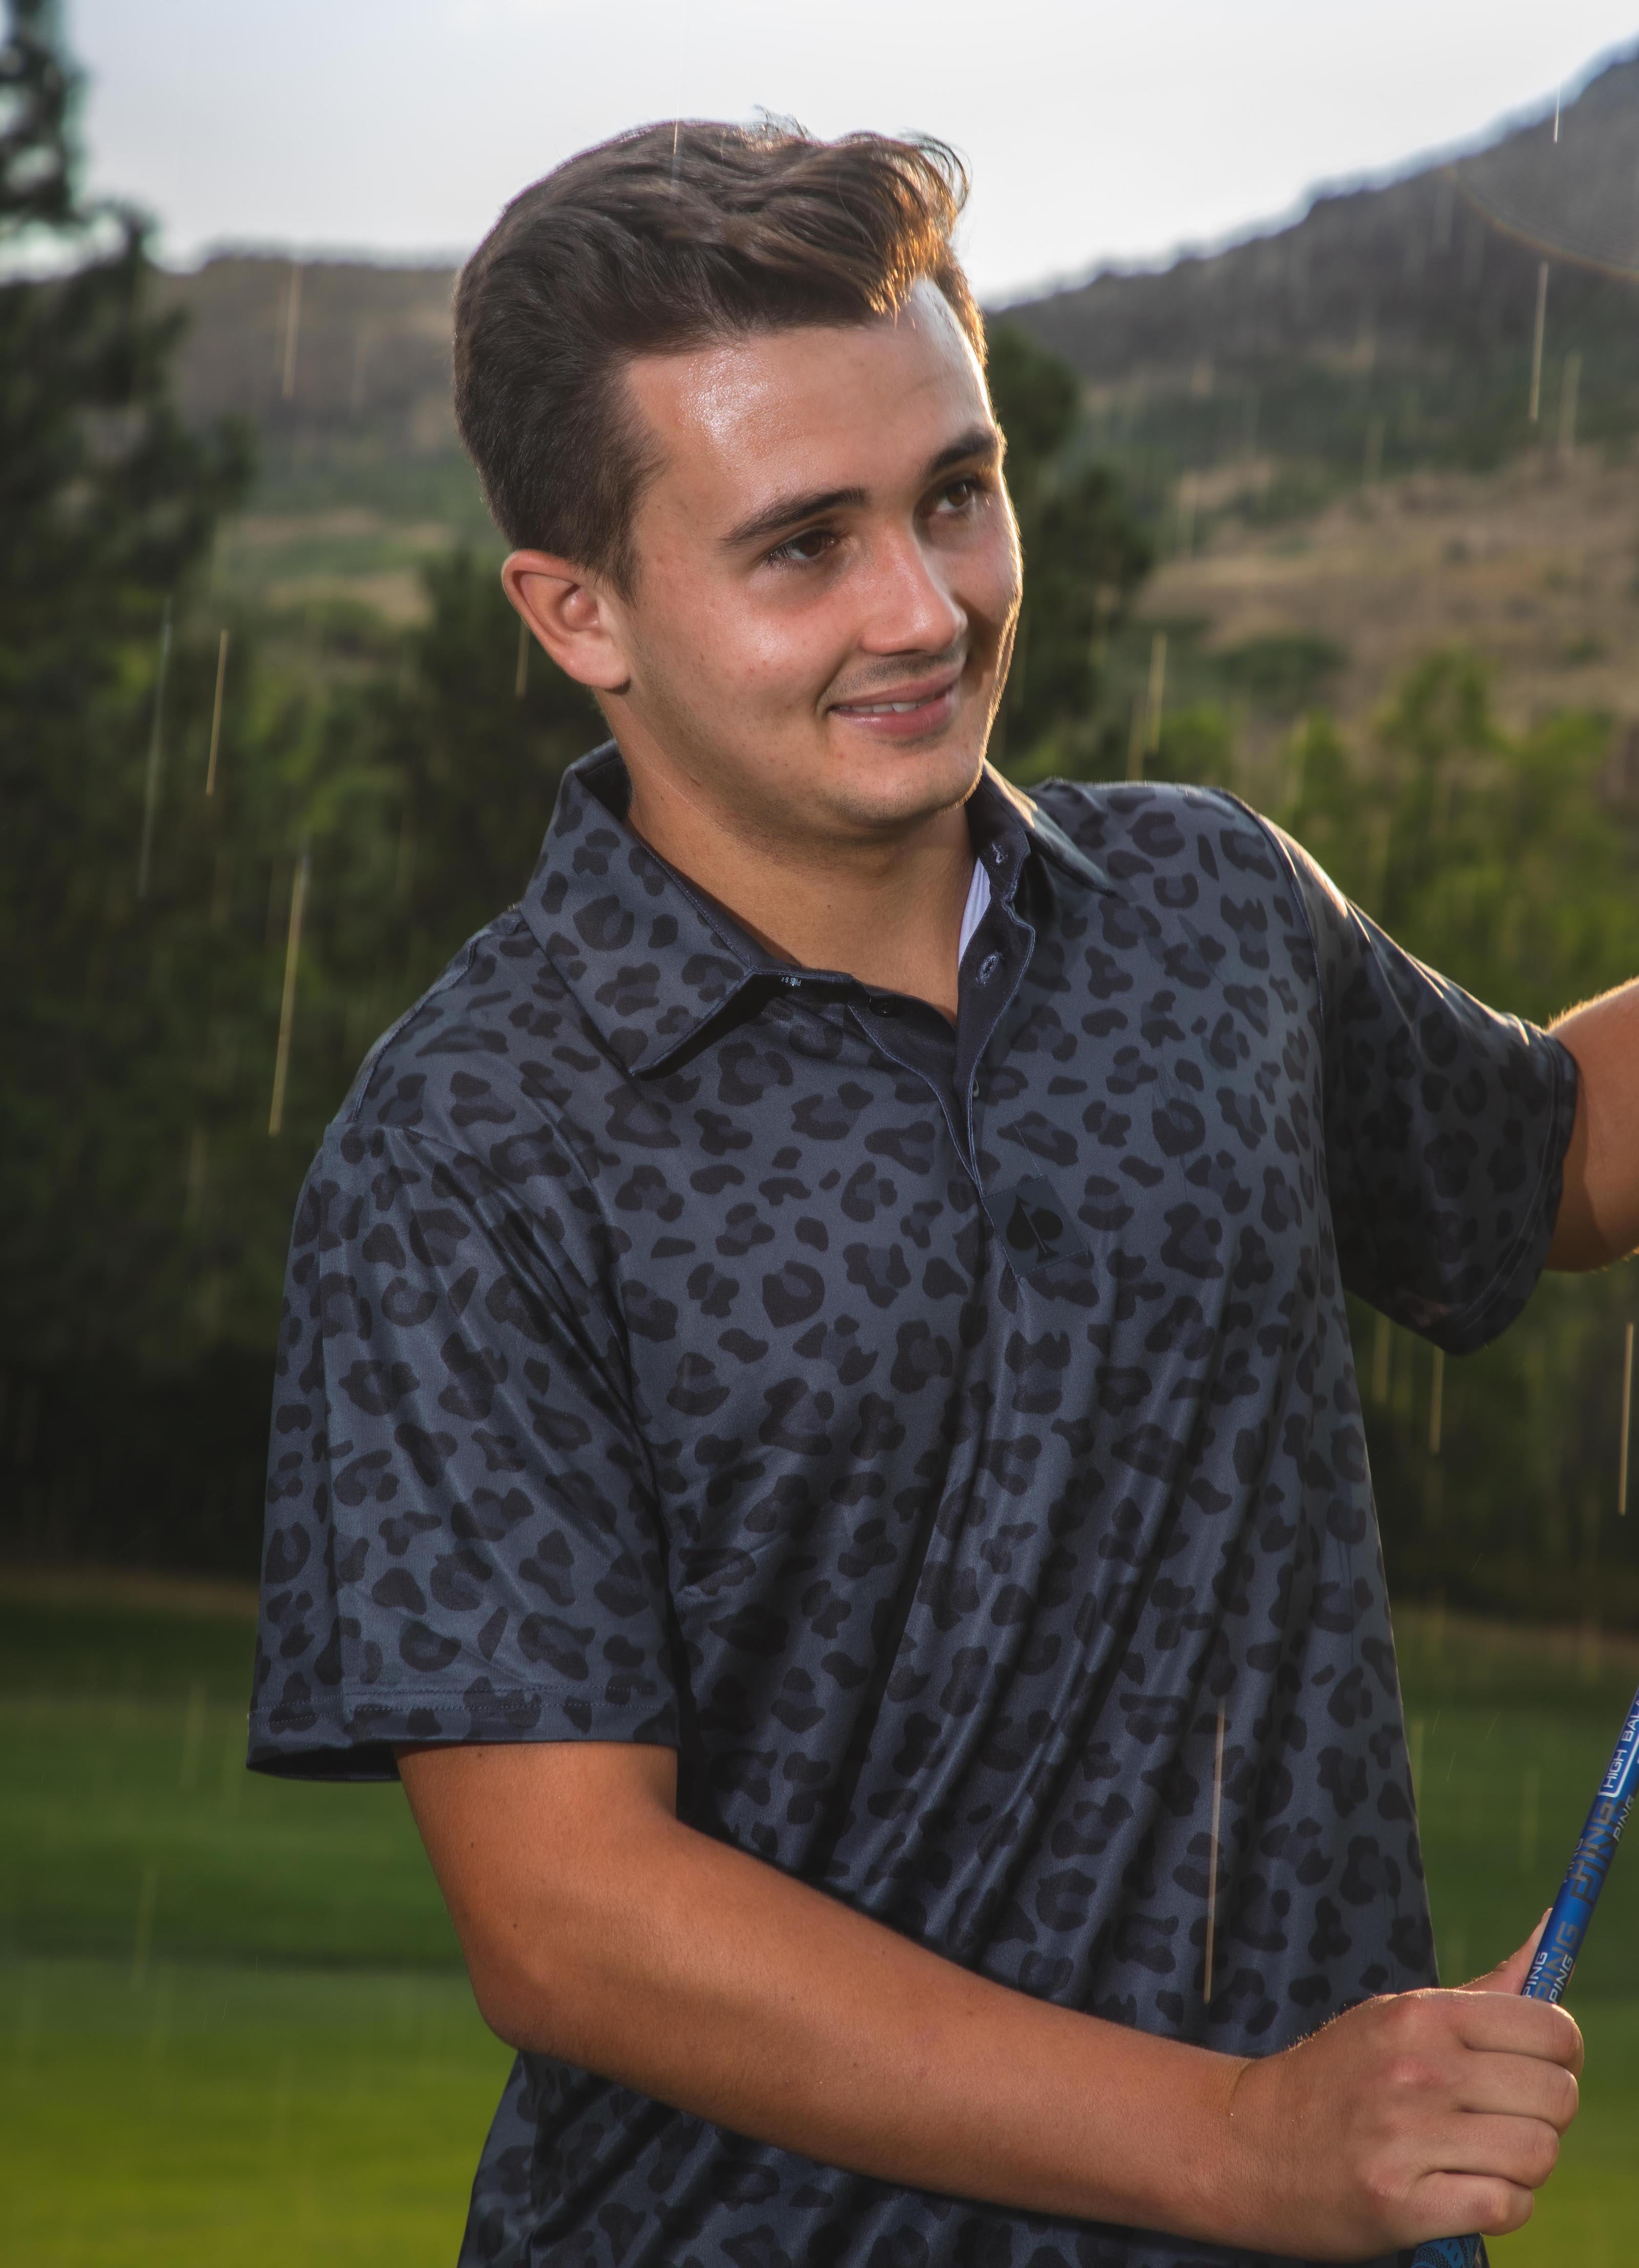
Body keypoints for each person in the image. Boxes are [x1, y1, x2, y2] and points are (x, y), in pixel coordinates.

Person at [247, 121, 1639, 2268]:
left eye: (955, 495)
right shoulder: (465, 1148)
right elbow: (572, 1922)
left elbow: (1540, 1155)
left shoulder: (1204, 909)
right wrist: (1236, 2142)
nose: (924, 606)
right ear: (576, 610)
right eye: (801, 545)